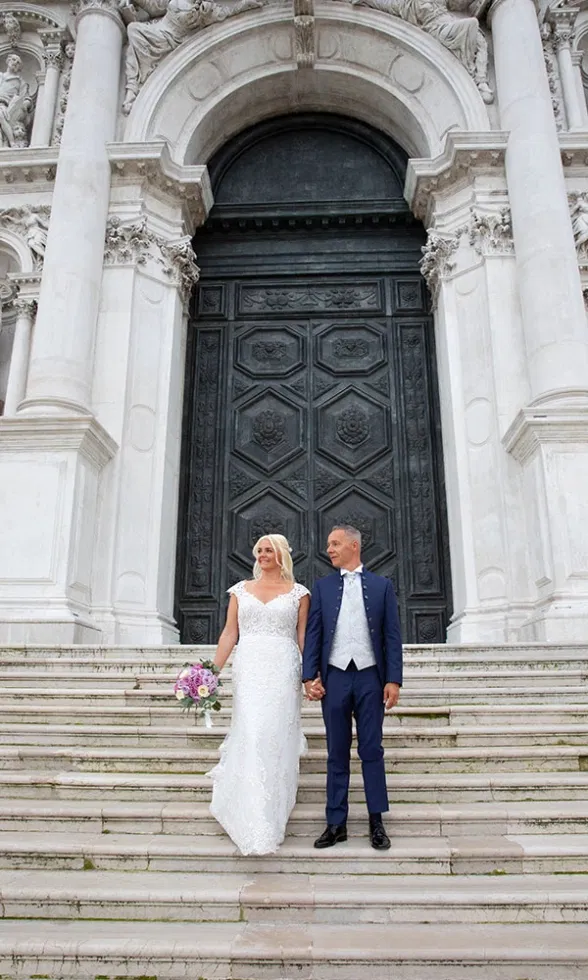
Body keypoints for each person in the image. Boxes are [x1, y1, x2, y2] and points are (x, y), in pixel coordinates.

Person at [302, 524, 402, 851]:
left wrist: (393, 680)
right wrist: (309, 676)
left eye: (335, 543)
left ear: (354, 546)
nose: (329, 549)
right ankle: (336, 823)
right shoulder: (323, 587)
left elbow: (391, 637)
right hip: (335, 678)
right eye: (329, 544)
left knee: (372, 749)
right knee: (336, 752)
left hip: (371, 677)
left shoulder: (382, 586)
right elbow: (314, 634)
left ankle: (376, 821)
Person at [208, 533, 310, 855]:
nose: (263, 555)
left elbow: (302, 636)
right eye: (260, 550)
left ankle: (270, 811)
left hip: (283, 667)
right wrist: (210, 673)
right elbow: (229, 632)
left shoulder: (299, 594)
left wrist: (311, 676)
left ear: (281, 554)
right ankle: (249, 812)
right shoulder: (240, 591)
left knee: (274, 735)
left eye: (269, 550)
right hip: (250, 667)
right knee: (251, 733)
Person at [119, 0, 264, 114]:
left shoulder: (205, 10)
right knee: (133, 29)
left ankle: (133, 88)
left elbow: (229, 11)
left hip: (171, 40)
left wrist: (245, 4)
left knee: (134, 32)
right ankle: (132, 86)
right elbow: (153, 5)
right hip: (156, 31)